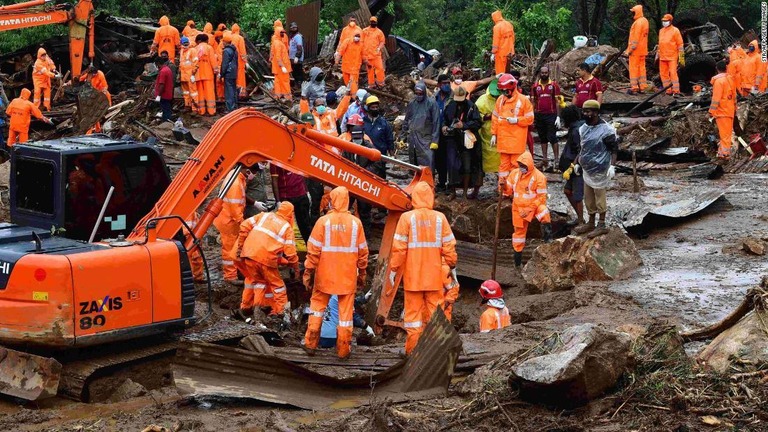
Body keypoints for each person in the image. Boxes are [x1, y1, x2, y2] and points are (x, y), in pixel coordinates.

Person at [390, 181, 457, 355]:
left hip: (413, 279)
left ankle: (412, 353)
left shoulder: (407, 218)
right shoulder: (439, 218)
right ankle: (435, 352)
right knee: (435, 317)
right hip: (434, 277)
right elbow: (449, 246)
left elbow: (399, 249)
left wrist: (393, 270)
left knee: (413, 320)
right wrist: (452, 265)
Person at [302, 186, 369, 359]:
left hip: (325, 275)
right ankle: (343, 350)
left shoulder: (323, 222)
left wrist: (308, 273)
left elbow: (313, 251)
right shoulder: (356, 223)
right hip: (347, 277)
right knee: (345, 316)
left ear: (332, 199)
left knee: (317, 309)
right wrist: (362, 274)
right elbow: (363, 253)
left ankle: (310, 344)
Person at [236, 201, 299, 322]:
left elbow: (244, 225)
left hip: (249, 254)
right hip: (265, 260)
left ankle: (257, 308)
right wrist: (295, 268)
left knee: (259, 282)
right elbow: (291, 253)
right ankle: (281, 313)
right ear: (291, 214)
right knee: (278, 286)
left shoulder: (264, 215)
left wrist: (240, 247)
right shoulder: (286, 227)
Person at [572, 100, 617, 237]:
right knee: (589, 197)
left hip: (600, 169)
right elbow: (582, 148)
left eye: (589, 111)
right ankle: (591, 222)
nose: (586, 114)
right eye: (584, 111)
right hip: (587, 169)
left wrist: (612, 166)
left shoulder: (606, 130)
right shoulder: (583, 129)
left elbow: (614, 149)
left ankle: (602, 224)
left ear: (596, 112)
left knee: (599, 197)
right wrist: (577, 162)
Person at [502, 152, 552, 268]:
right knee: (519, 236)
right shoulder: (515, 174)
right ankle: (517, 262)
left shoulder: (539, 177)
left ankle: (548, 242)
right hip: (518, 209)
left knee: (544, 211)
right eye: (520, 165)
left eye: (523, 166)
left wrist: (529, 209)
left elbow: (542, 199)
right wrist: (503, 185)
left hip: (533, 207)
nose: (521, 168)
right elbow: (507, 190)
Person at [491, 73, 533, 187]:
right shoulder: (500, 100)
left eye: (507, 91)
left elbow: (530, 119)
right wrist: (493, 134)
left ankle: (515, 190)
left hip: (516, 142)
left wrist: (517, 120)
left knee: (516, 166)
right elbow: (495, 117)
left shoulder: (524, 101)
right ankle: (503, 190)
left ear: (513, 88)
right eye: (503, 91)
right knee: (503, 167)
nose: (505, 94)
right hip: (503, 141)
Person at [442, 86, 482, 199]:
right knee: (452, 165)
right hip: (453, 139)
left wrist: (464, 125)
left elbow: (478, 123)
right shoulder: (450, 105)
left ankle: (465, 193)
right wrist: (444, 126)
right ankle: (453, 192)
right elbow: (444, 119)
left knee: (467, 166)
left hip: (467, 140)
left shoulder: (471, 106)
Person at [213, 167, 249, 285]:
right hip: (229, 220)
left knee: (233, 247)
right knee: (229, 249)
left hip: (228, 218)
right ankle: (230, 276)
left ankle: (235, 272)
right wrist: (242, 223)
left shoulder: (237, 176)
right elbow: (235, 207)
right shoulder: (236, 183)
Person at [270, 164, 312, 244]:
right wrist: (278, 201)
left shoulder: (297, 156)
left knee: (305, 225)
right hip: (286, 197)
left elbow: (301, 175)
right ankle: (284, 251)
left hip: (301, 194)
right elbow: (274, 180)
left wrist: (306, 191)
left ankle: (311, 250)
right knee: (284, 226)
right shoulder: (276, 161)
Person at [558, 105, 586, 226]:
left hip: (577, 168)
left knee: (578, 195)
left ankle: (581, 221)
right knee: (567, 191)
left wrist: (573, 165)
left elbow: (581, 150)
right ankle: (580, 218)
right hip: (571, 166)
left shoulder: (576, 131)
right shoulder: (575, 128)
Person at [531, 66, 562, 171]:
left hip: (551, 114)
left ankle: (557, 159)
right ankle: (545, 159)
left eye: (546, 72)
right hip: (539, 115)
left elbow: (557, 101)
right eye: (542, 73)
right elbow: (533, 101)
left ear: (549, 73)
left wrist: (558, 116)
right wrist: (532, 114)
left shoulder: (554, 85)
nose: (544, 74)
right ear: (540, 73)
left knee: (552, 137)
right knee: (542, 138)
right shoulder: (535, 86)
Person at [403, 82, 440, 168]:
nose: (418, 95)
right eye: (416, 93)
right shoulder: (412, 103)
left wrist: (435, 141)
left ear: (424, 92)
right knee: (414, 165)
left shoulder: (432, 103)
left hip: (426, 140)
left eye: (420, 94)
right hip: (413, 139)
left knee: (428, 166)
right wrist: (402, 137)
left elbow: (436, 122)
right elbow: (406, 120)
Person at [709, 61, 736, 160]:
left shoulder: (719, 81)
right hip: (729, 110)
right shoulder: (730, 79)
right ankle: (722, 153)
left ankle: (725, 154)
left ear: (717, 69)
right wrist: (735, 108)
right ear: (726, 68)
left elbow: (716, 99)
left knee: (724, 135)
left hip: (722, 111)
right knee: (727, 134)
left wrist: (711, 112)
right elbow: (734, 96)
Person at [363, 95, 395, 179]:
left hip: (381, 157)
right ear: (368, 108)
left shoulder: (384, 123)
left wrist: (392, 157)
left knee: (381, 180)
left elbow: (390, 140)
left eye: (376, 107)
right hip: (366, 158)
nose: (375, 109)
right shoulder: (363, 122)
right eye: (372, 107)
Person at [476, 79, 501, 175]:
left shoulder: (504, 98)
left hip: (501, 131)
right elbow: (476, 115)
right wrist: (487, 117)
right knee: (487, 154)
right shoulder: (482, 100)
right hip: (486, 131)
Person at [432, 73, 453, 191]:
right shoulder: (434, 98)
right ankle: (441, 182)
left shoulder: (454, 97)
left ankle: (452, 184)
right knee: (439, 159)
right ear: (439, 85)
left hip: (450, 133)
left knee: (451, 158)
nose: (447, 85)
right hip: (437, 132)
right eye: (444, 83)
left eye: (448, 83)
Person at [656, 14, 684, 96]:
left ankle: (676, 91)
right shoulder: (661, 31)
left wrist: (681, 59)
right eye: (663, 21)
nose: (664, 22)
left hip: (672, 56)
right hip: (662, 56)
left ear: (670, 21)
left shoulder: (675, 30)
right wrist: (657, 55)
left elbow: (680, 45)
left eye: (666, 21)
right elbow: (660, 44)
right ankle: (668, 90)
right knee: (663, 74)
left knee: (673, 73)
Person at [624, 5, 649, 94]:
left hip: (635, 51)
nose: (632, 14)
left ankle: (634, 87)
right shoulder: (645, 21)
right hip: (643, 50)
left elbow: (635, 39)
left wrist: (629, 50)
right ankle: (643, 87)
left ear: (637, 12)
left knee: (633, 69)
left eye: (633, 12)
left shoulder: (637, 23)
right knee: (642, 69)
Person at [79, 64, 111, 133]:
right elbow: (80, 79)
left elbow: (105, 86)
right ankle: (97, 129)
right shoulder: (89, 75)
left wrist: (102, 93)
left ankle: (90, 132)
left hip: (99, 95)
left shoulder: (100, 75)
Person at [194, 33, 217, 116]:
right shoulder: (209, 48)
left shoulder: (195, 49)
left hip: (198, 74)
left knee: (200, 93)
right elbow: (213, 60)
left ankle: (201, 110)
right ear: (206, 40)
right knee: (210, 93)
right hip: (208, 74)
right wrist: (216, 70)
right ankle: (211, 111)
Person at [335, 29, 364, 94]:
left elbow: (363, 55)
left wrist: (367, 62)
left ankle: (354, 97)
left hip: (355, 68)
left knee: (353, 83)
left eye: (359, 36)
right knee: (347, 83)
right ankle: (350, 95)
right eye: (356, 36)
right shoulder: (347, 42)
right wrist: (336, 62)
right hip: (346, 67)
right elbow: (340, 52)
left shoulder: (361, 45)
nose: (357, 38)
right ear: (353, 35)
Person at [362, 16, 386, 89]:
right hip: (368, 56)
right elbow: (361, 41)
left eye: (374, 22)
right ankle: (371, 85)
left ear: (376, 22)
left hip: (376, 55)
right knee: (370, 71)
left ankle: (381, 83)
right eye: (372, 21)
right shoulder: (364, 31)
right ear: (370, 22)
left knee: (380, 69)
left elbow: (382, 41)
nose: (373, 23)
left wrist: (379, 48)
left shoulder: (379, 32)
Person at [271, 27, 292, 101]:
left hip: (279, 67)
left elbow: (273, 54)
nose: (283, 34)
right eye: (281, 32)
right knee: (285, 81)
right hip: (281, 67)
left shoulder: (278, 42)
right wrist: (282, 66)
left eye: (283, 32)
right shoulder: (278, 43)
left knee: (278, 81)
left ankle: (279, 95)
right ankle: (287, 97)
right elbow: (278, 56)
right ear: (277, 33)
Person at [491, 10, 515, 75]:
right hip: (509, 52)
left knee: (500, 72)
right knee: (508, 69)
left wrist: (493, 53)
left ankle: (501, 83)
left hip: (501, 53)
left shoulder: (497, 27)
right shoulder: (509, 24)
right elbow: (513, 38)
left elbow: (495, 42)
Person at [220, 32, 239, 113]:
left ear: (225, 42)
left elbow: (225, 64)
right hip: (234, 72)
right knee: (233, 89)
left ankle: (230, 108)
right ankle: (235, 106)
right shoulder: (234, 50)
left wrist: (222, 73)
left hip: (228, 72)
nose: (222, 42)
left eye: (223, 41)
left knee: (229, 90)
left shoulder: (226, 51)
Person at [179, 37, 199, 112]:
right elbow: (181, 64)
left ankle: (195, 109)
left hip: (190, 75)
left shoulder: (192, 51)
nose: (185, 45)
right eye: (184, 44)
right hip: (184, 76)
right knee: (186, 92)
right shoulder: (182, 51)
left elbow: (196, 63)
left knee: (193, 92)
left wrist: (193, 75)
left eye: (186, 43)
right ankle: (187, 106)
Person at [153, 56, 174, 121]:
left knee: (165, 110)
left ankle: (167, 123)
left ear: (157, 63)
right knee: (167, 109)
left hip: (164, 95)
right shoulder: (167, 69)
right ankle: (167, 121)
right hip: (168, 94)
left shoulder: (163, 71)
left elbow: (162, 85)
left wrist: (159, 95)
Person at [231, 24, 248, 96]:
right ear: (238, 30)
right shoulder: (240, 38)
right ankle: (241, 94)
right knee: (240, 78)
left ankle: (234, 94)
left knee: (233, 78)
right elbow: (242, 51)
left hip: (232, 62)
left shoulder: (229, 37)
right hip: (239, 62)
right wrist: (245, 61)